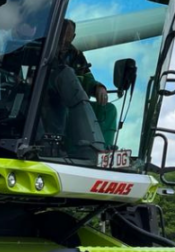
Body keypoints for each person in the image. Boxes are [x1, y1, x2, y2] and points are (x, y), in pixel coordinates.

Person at [41, 19, 118, 157]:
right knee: (62, 106)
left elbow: (87, 78)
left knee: (110, 109)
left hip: (77, 104)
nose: (64, 38)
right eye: (62, 33)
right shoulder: (43, 50)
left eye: (68, 34)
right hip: (49, 103)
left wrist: (98, 87)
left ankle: (103, 154)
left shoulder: (77, 55)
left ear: (74, 37)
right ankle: (60, 149)